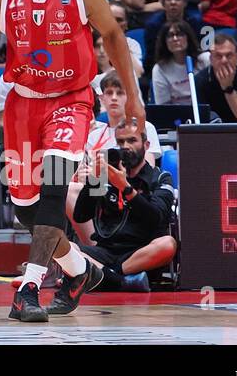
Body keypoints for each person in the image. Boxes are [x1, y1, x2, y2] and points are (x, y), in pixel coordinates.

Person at [0, 0, 145, 321]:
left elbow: (113, 38)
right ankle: (81, 271)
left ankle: (29, 290)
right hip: (23, 105)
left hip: (71, 101)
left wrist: (133, 96)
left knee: (55, 189)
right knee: (26, 208)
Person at [69, 120, 178, 294]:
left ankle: (105, 276)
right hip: (105, 250)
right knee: (63, 247)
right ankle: (121, 281)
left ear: (146, 144)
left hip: (140, 253)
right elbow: (81, 216)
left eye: (132, 141)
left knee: (168, 244)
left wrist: (126, 188)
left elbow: (157, 217)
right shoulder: (107, 175)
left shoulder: (160, 177)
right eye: (120, 142)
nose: (125, 146)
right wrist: (93, 181)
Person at [193, 33, 237, 122]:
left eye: (229, 55)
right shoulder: (199, 80)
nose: (224, 60)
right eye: (218, 56)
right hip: (212, 131)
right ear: (211, 59)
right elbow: (201, 119)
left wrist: (228, 88)